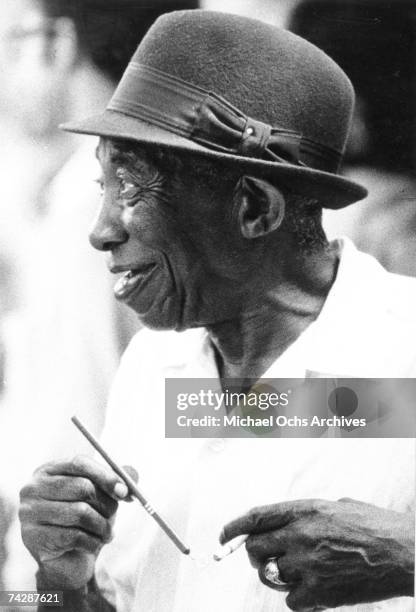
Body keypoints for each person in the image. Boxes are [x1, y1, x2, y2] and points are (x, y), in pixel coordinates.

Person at [19, 10, 415, 612]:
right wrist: (62, 583)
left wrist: (408, 560)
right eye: (104, 186)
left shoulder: (402, 354)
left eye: (132, 187)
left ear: (255, 208)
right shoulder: (154, 367)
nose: (101, 232)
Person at [0, 0, 197, 591]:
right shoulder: (151, 187)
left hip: (96, 567)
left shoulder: (84, 206)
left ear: (57, 42)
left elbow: (70, 419)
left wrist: (28, 587)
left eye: (11, 41)